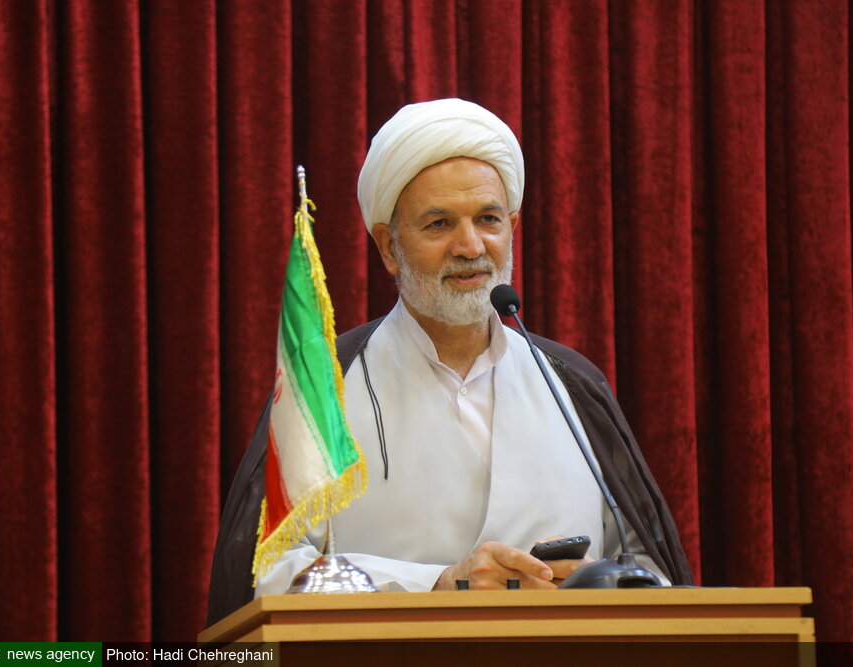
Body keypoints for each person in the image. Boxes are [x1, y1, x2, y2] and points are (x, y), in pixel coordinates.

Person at [206, 99, 692, 625]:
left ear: (512, 227)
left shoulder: (571, 383)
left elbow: (648, 569)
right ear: (388, 247)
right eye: (439, 224)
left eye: (488, 219)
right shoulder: (326, 383)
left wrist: (592, 584)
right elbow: (267, 576)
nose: (470, 246)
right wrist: (436, 585)